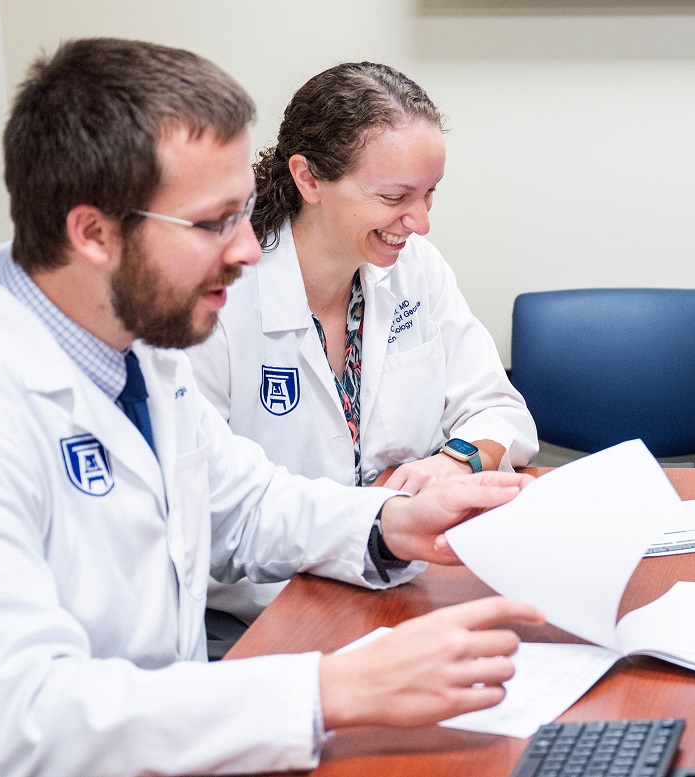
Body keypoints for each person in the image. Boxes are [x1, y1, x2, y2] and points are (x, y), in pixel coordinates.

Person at [0, 39, 544, 777]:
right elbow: (27, 723)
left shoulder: (137, 352)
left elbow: (246, 503)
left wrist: (388, 525)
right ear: (92, 232)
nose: (251, 250)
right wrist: (330, 689)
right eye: (215, 222)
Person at [189, 62, 537, 625]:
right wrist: (379, 515)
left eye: (429, 195)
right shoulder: (217, 296)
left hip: (399, 585)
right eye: (395, 196)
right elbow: (212, 511)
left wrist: (457, 461)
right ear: (308, 179)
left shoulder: (413, 268)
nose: (419, 223)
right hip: (261, 611)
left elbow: (498, 409)